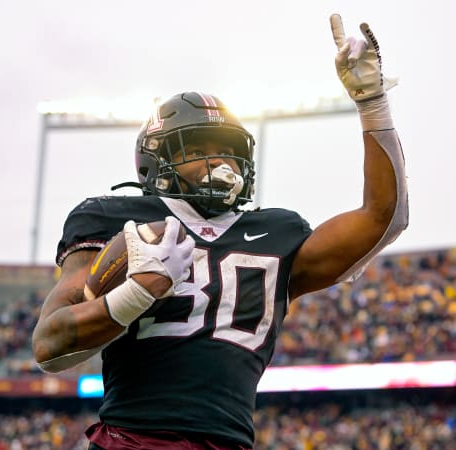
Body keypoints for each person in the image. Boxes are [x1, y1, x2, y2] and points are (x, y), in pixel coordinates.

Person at [32, 13, 408, 450]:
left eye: (228, 151)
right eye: (197, 149)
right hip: (132, 439)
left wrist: (372, 101)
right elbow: (50, 345)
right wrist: (136, 292)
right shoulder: (116, 220)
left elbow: (385, 217)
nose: (220, 162)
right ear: (156, 161)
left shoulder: (278, 231)